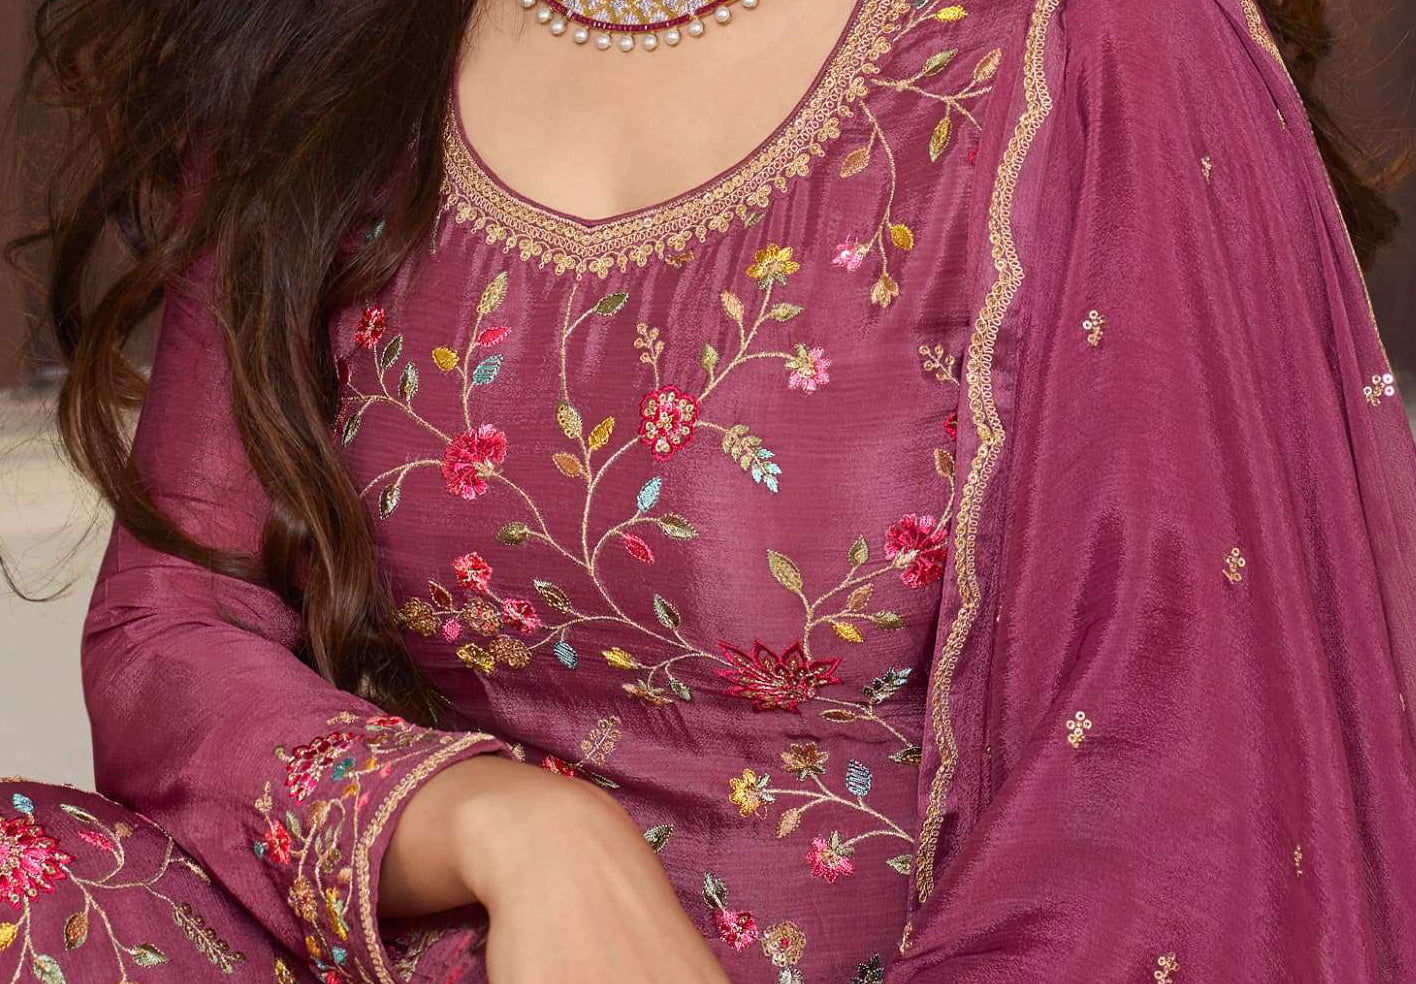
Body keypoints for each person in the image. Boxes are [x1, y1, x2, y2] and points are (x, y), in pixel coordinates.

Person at [3, 0, 1414, 980]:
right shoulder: (339, 54)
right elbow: (173, 629)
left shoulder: (1086, 53)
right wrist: (517, 833)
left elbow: (1167, 812)